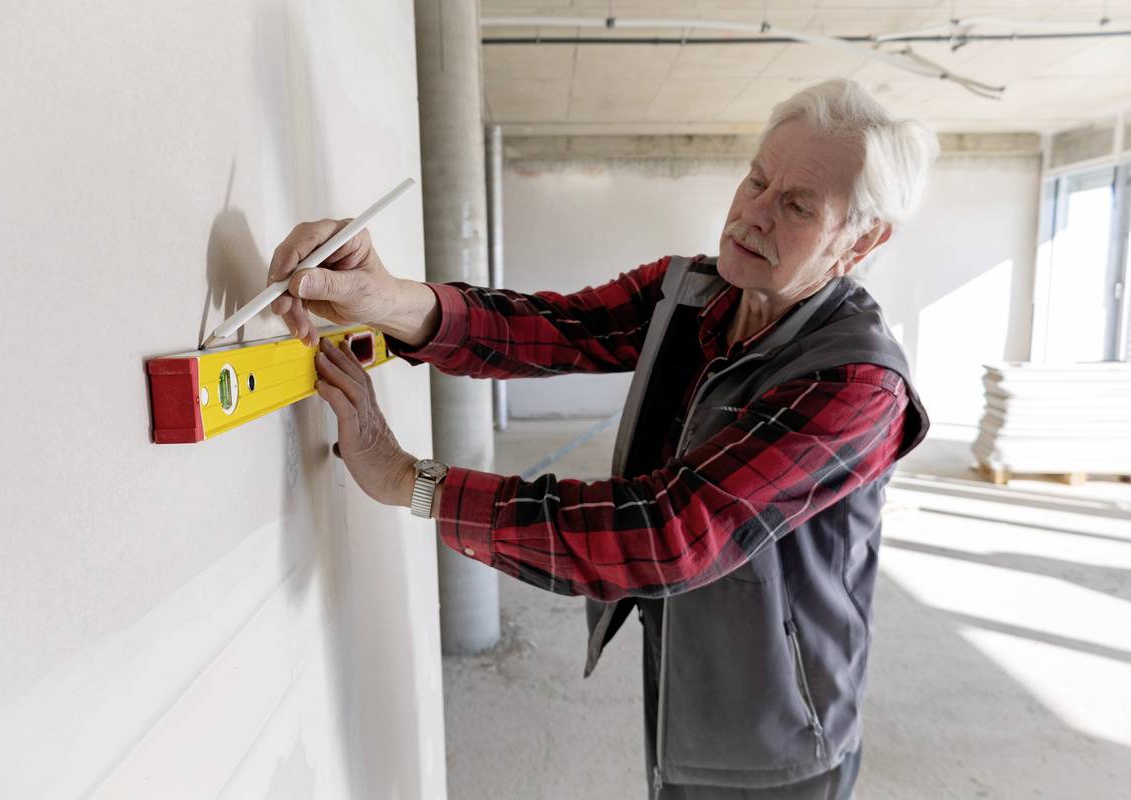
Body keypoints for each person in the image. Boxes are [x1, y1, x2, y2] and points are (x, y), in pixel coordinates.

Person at [268, 78, 938, 799]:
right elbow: (551, 327)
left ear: (863, 239)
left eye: (797, 205)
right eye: (756, 180)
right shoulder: (693, 292)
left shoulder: (856, 384)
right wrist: (388, 298)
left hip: (780, 734)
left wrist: (411, 481)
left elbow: (665, 534)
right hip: (689, 681)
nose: (753, 214)